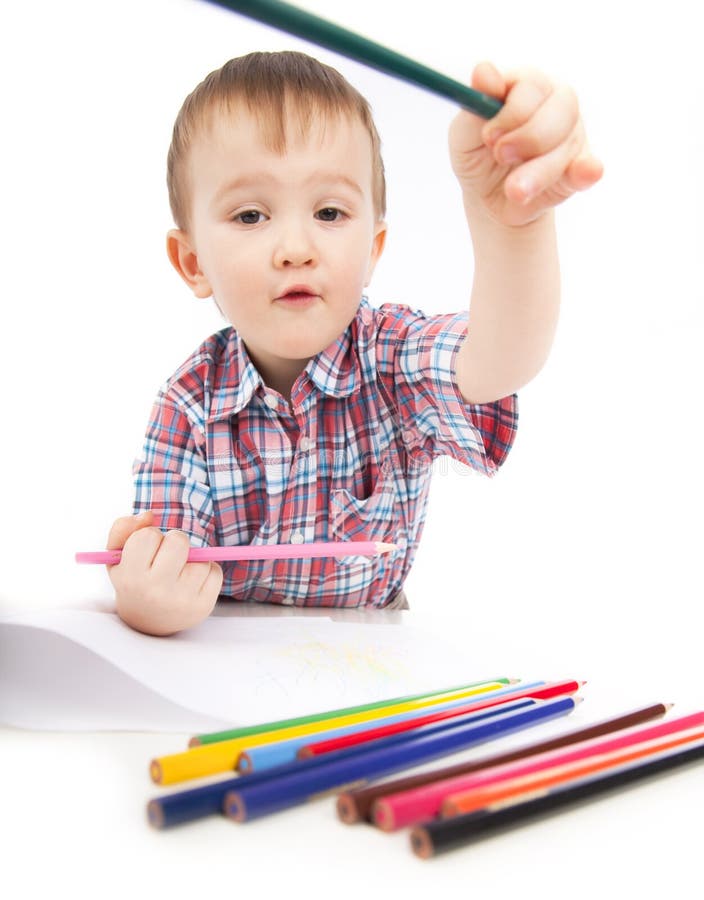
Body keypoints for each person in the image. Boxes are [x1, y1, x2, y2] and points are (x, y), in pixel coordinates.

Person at [106, 51, 602, 636]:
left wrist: (514, 229)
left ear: (373, 249)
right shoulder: (187, 403)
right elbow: (160, 560)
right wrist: (147, 597)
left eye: (330, 211)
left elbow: (498, 362)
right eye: (249, 216)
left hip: (371, 664)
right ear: (192, 262)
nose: (295, 246)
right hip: (225, 660)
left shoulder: (392, 359)